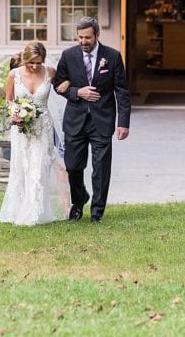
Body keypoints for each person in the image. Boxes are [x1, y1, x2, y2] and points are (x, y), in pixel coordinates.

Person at [53, 16, 131, 223]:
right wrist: (78, 92)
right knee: (73, 167)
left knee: (101, 169)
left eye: (87, 37)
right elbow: (58, 84)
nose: (83, 41)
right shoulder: (68, 56)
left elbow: (122, 91)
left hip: (102, 121)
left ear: (97, 35)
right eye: (80, 37)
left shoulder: (112, 56)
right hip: (75, 121)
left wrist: (123, 123)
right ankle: (79, 201)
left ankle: (97, 212)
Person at [0, 41, 70, 226]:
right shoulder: (14, 75)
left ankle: (35, 213)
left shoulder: (50, 72)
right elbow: (8, 101)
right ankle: (19, 209)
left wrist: (68, 82)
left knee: (38, 168)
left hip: (43, 128)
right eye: (32, 62)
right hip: (21, 129)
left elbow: (65, 83)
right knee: (22, 168)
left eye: (39, 62)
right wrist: (15, 113)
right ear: (25, 59)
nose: (35, 66)